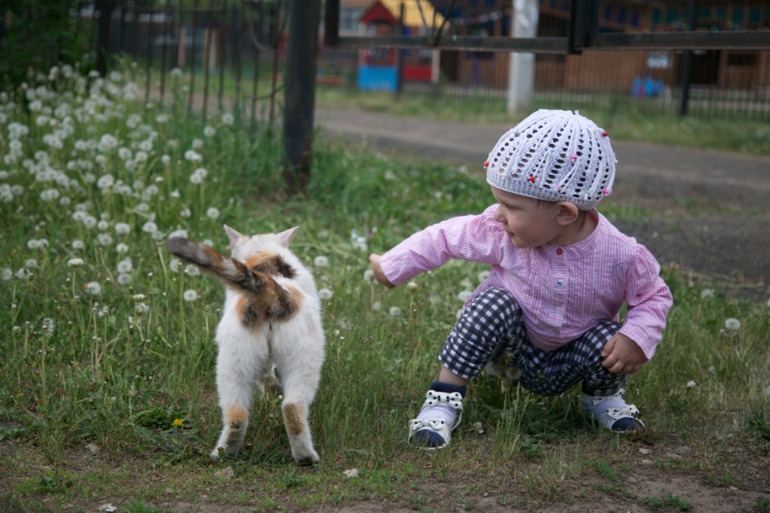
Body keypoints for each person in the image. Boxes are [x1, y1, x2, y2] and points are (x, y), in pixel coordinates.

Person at [368, 109, 673, 450]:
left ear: (564, 213)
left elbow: (653, 297)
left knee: (612, 335)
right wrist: (392, 267)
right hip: (511, 352)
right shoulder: (500, 231)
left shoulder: (621, 254)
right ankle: (443, 399)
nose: (498, 214)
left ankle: (602, 399)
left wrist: (637, 336)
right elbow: (444, 237)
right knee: (491, 303)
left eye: (510, 206)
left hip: (574, 357)